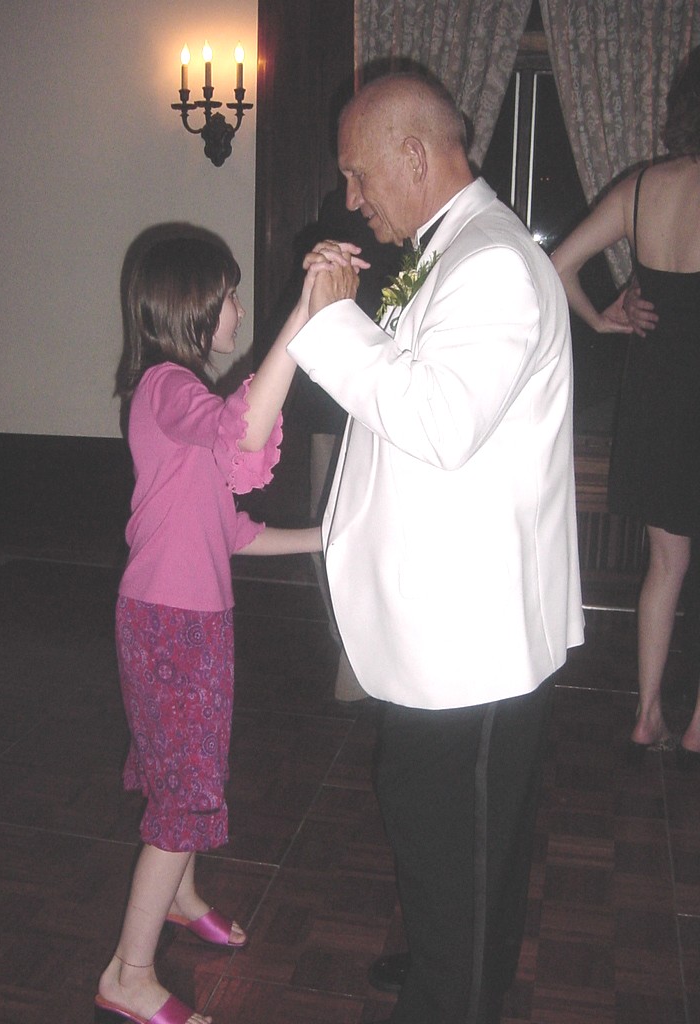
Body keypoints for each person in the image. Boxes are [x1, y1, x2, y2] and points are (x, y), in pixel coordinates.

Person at [287, 73, 585, 1024]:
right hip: (445, 631)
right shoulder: (454, 249)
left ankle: (452, 994)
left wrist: (334, 323)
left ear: (413, 156)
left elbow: (440, 421)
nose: (352, 198)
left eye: (358, 174)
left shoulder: (491, 262)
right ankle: (449, 962)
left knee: (460, 841)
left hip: (473, 642)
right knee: (444, 834)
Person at [95, 234, 349, 1024]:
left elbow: (230, 531)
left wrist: (327, 539)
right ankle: (128, 974)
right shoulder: (164, 388)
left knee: (189, 772)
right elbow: (243, 429)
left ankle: (182, 895)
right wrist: (301, 316)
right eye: (231, 294)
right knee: (183, 793)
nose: (239, 307)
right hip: (170, 624)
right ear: (195, 306)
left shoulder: (187, 403)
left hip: (192, 622)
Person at [551, 46, 700, 767]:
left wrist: (603, 317)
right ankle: (698, 725)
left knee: (665, 566)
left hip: (656, 397)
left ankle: (646, 714)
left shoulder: (641, 187)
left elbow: (557, 265)